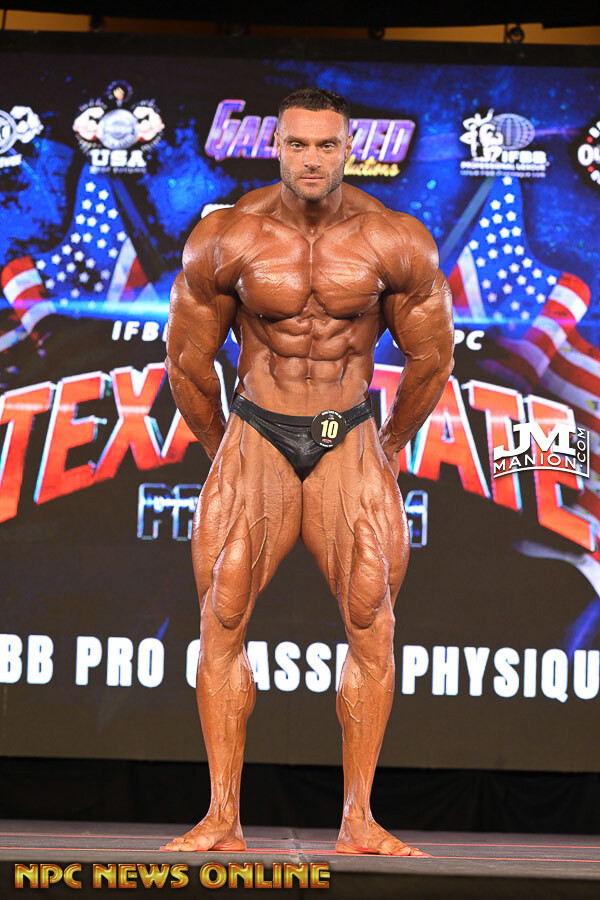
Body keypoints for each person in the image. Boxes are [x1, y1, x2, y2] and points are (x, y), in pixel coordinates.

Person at [161, 88, 454, 857]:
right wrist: (225, 446)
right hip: (259, 427)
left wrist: (389, 444)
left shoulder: (394, 240)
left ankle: (358, 819)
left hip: (344, 429)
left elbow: (431, 358)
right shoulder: (227, 237)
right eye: (298, 145)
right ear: (276, 146)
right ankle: (222, 817)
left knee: (371, 611)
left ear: (350, 150)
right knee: (222, 613)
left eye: (327, 145)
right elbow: (188, 361)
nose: (312, 159)